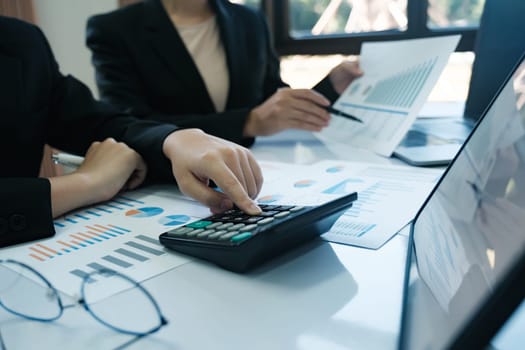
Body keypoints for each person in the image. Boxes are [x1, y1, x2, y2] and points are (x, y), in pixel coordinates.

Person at [0, 15, 262, 248]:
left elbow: (95, 121)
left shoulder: (20, 41)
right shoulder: (114, 28)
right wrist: (85, 183)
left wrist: (173, 140)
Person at [86, 0, 363, 147]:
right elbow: (131, 125)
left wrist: (330, 86)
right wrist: (246, 123)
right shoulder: (114, 30)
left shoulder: (250, 21)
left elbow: (271, 97)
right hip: (167, 185)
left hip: (256, 176)